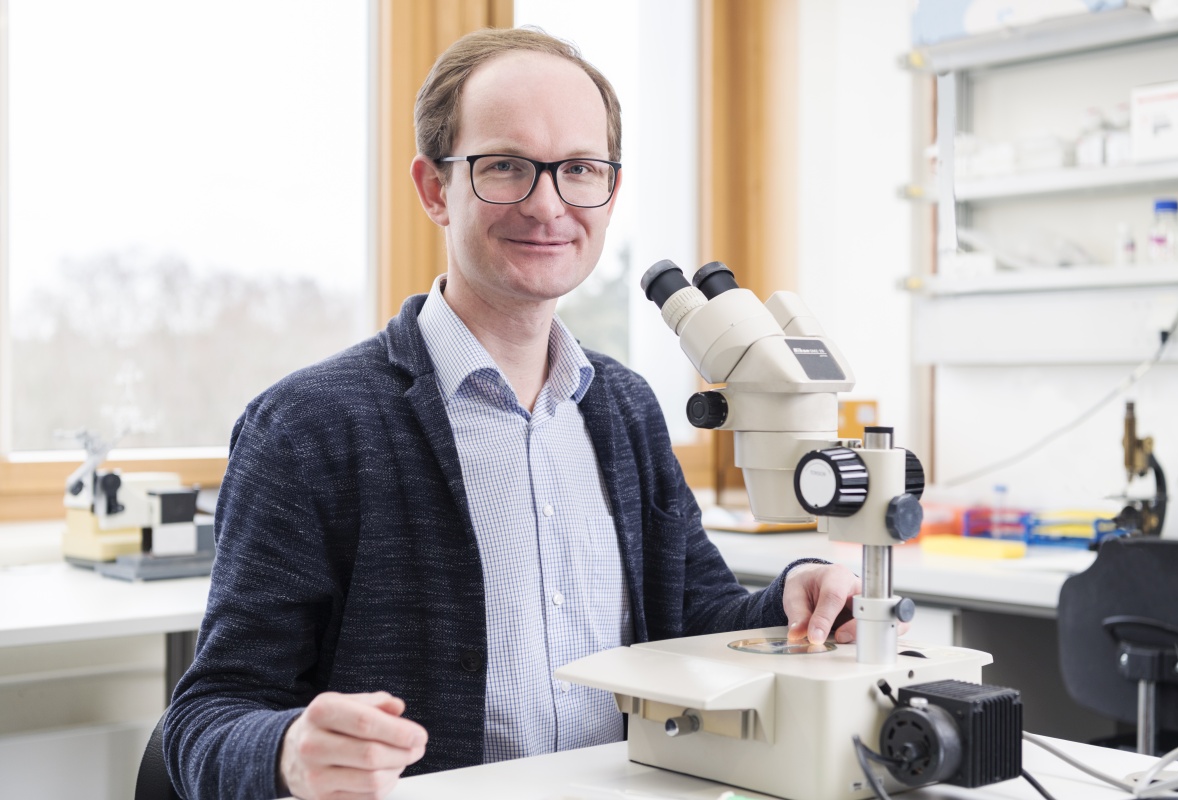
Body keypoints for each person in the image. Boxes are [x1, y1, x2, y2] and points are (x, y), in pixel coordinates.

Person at [164, 26, 861, 800]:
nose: (547, 204)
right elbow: (206, 719)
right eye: (504, 166)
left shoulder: (624, 408)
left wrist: (789, 601)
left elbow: (694, 616)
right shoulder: (308, 428)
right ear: (434, 189)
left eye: (579, 169)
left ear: (610, 192)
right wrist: (289, 751)